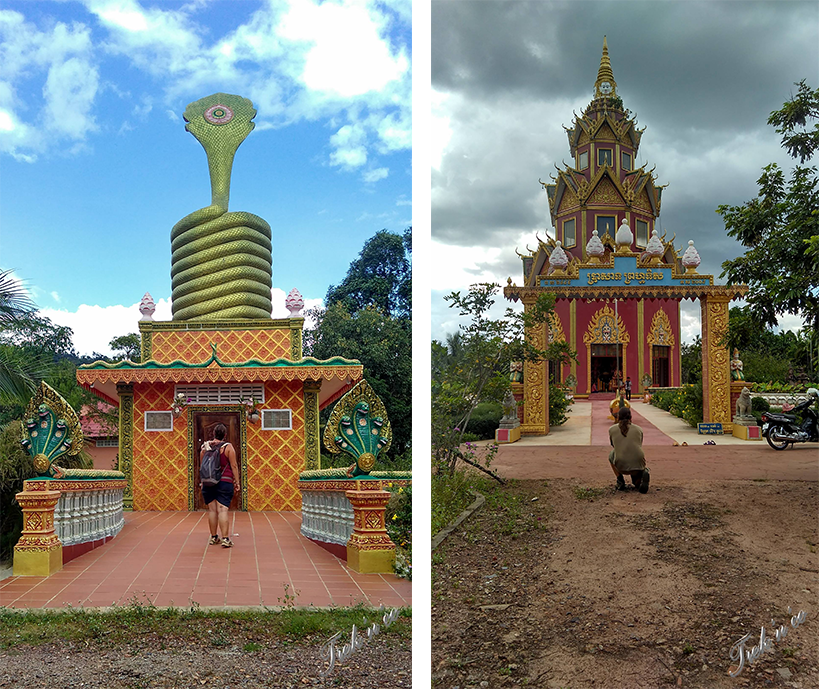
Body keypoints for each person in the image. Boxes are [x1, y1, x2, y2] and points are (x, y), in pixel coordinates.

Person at [200, 423, 240, 547]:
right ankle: (225, 539)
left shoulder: (205, 447)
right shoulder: (228, 447)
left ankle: (213, 537)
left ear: (213, 434)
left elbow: (203, 466)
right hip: (225, 481)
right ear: (225, 435)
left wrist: (202, 481)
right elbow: (233, 465)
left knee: (212, 510)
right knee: (222, 510)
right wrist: (237, 482)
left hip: (208, 482)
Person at [608, 407, 650, 493]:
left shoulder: (612, 430)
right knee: (634, 451)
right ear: (631, 417)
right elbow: (639, 444)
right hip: (638, 464)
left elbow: (613, 445)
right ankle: (640, 478)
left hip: (620, 465)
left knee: (612, 454)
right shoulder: (639, 429)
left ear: (618, 417)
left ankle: (620, 481)